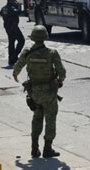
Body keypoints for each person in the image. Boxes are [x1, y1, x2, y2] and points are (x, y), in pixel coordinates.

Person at [13, 25, 66, 158]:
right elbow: (62, 72)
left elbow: (17, 68)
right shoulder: (52, 53)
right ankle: (47, 149)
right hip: (49, 93)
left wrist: (15, 75)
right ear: (45, 37)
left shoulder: (27, 52)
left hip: (34, 92)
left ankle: (34, 148)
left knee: (37, 118)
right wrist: (60, 81)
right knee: (50, 119)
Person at [0, 0, 25, 66]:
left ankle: (11, 59)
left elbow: (1, 13)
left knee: (11, 42)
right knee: (21, 40)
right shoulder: (11, 8)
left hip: (7, 27)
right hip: (13, 27)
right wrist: (19, 6)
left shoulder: (4, 8)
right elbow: (18, 12)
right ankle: (14, 55)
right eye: (13, 0)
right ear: (11, 0)